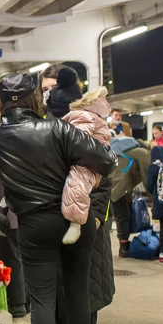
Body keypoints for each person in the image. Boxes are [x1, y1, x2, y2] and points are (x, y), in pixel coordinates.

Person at [0, 73, 115, 324]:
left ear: (1, 102)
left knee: (42, 299)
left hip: (34, 223)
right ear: (35, 100)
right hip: (77, 219)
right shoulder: (58, 129)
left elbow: (3, 176)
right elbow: (105, 160)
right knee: (76, 291)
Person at [46, 69, 111, 245]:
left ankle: (76, 223)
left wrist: (96, 217)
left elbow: (105, 180)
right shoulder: (45, 125)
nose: (49, 91)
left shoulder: (80, 120)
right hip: (53, 223)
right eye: (46, 88)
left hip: (87, 220)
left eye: (51, 87)